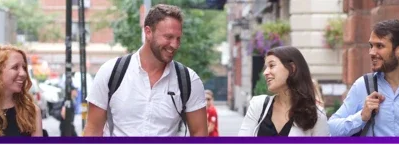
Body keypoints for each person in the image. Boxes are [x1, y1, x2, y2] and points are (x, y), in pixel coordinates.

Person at [83, 4, 208, 137]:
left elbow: (200, 134)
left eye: (178, 38)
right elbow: (93, 130)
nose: (175, 45)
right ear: (148, 32)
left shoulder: (188, 80)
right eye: (168, 37)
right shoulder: (111, 72)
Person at [237, 46, 329, 137]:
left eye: (271, 65)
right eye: (266, 67)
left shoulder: (316, 114)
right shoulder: (258, 105)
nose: (265, 72)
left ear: (292, 68)